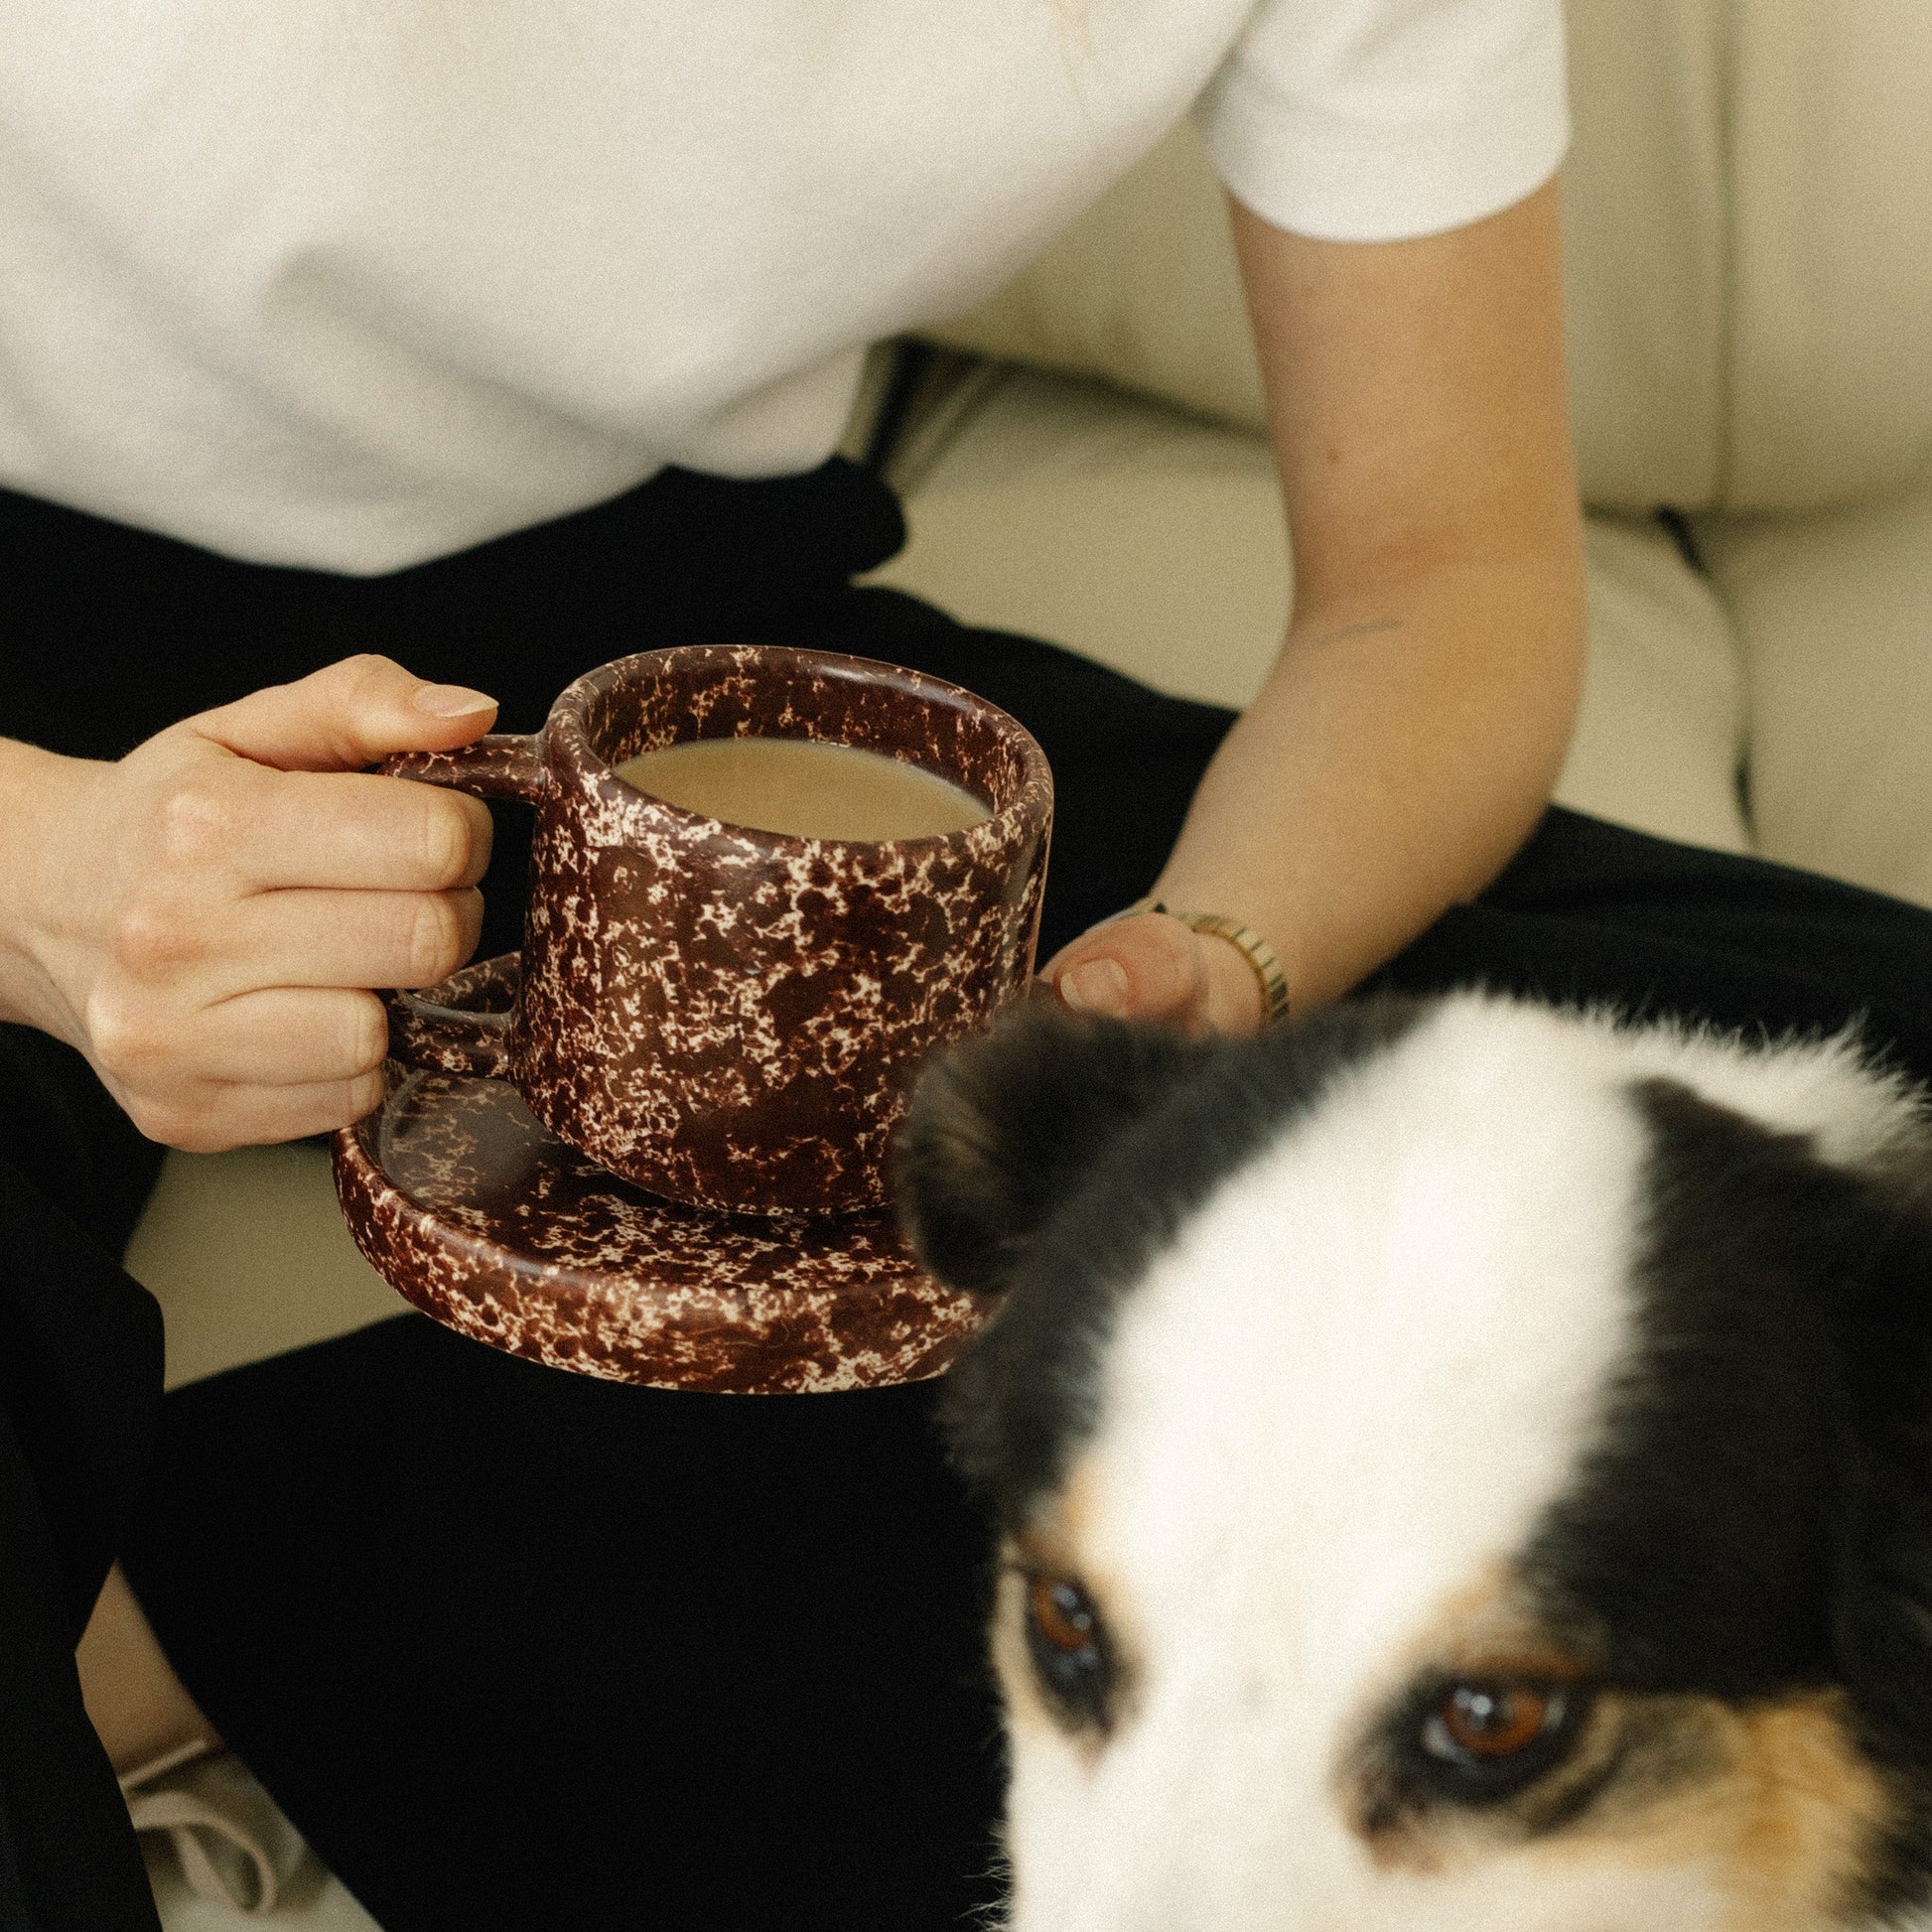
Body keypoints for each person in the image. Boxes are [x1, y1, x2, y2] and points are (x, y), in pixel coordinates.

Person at [6, 1, 1932, 1926]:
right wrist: (51, 882)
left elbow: (1442, 582)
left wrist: (1200, 983)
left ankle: (209, 1598)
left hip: (690, 643)